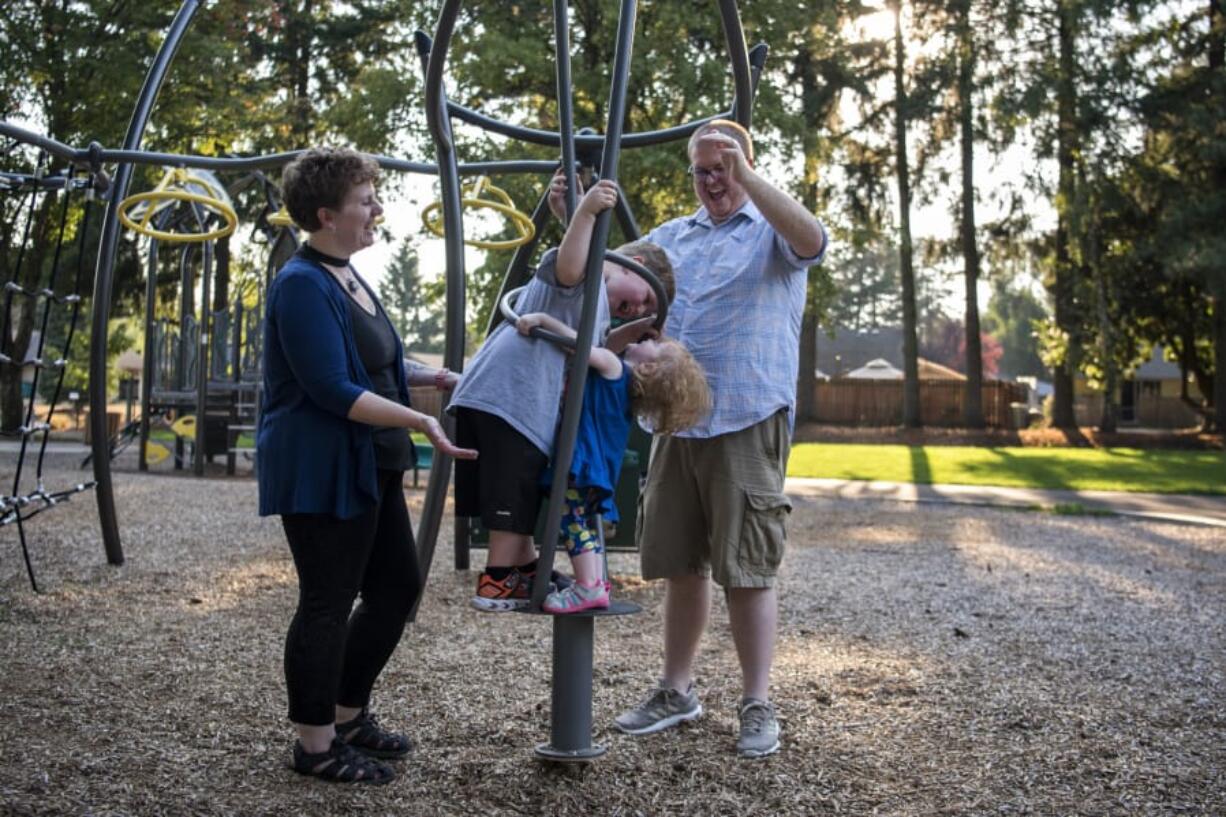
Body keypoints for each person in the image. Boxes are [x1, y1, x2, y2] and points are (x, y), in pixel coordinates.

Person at [551, 120, 827, 758]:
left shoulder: (773, 233)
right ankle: (677, 690)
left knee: (749, 566)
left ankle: (757, 701)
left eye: (722, 168)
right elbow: (608, 273)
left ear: (746, 166)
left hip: (747, 412)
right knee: (680, 562)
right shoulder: (674, 236)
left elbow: (814, 241)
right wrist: (577, 214)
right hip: (675, 419)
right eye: (701, 171)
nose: (711, 182)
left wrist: (749, 178)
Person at [257, 147, 477, 785]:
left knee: (394, 590)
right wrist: (419, 419)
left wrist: (433, 376)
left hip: (368, 463)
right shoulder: (301, 283)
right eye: (365, 200)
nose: (377, 208)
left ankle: (349, 714)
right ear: (327, 214)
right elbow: (330, 386)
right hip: (322, 467)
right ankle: (316, 744)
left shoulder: (346, 273)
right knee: (327, 601)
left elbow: (372, 363)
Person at [448, 178, 675, 612]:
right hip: (512, 399)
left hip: (508, 399)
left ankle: (525, 567)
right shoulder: (579, 278)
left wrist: (571, 217)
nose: (630, 311)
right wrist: (586, 212)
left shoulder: (596, 307)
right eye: (637, 299)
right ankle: (497, 581)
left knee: (524, 489)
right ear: (634, 264)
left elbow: (599, 348)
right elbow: (574, 266)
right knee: (512, 492)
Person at [512, 312, 710, 613]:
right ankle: (594, 581)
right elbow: (605, 343)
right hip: (596, 468)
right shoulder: (624, 384)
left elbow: (578, 345)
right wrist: (634, 330)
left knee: (573, 523)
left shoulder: (614, 366)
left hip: (581, 463)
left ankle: (587, 586)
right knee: (582, 523)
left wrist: (544, 319)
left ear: (647, 366)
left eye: (656, 345)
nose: (652, 339)